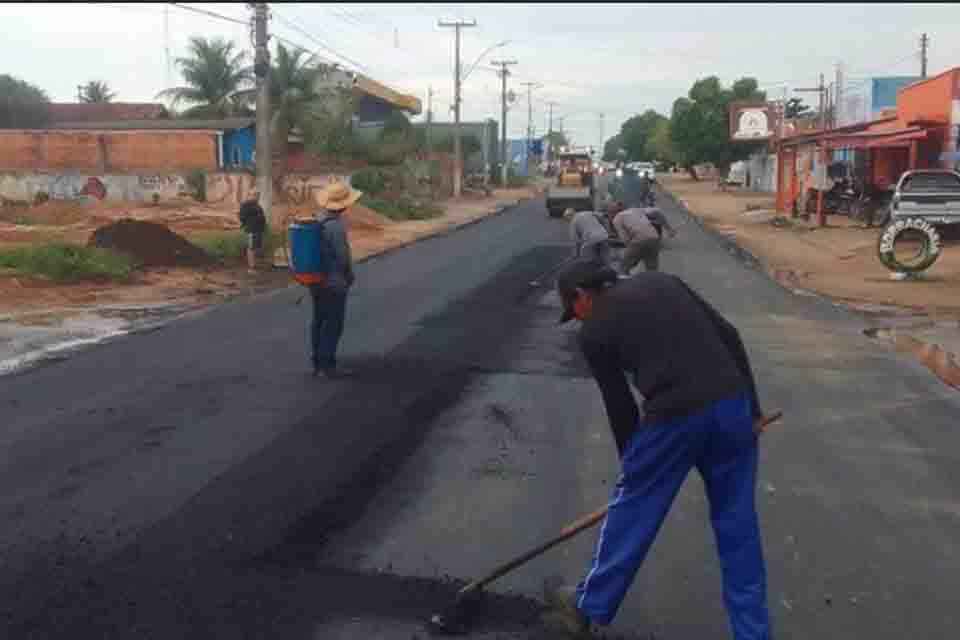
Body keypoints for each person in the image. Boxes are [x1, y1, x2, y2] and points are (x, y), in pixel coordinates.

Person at [545, 260, 773, 640]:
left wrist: (632, 471)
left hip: (675, 418)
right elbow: (730, 336)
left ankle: (588, 606)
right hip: (731, 404)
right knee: (738, 525)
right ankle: (753, 633)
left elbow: (619, 404)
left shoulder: (595, 331)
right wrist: (753, 409)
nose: (578, 318)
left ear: (582, 296)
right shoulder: (664, 281)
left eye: (574, 310)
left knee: (633, 513)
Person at [309, 181, 361, 379]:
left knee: (319, 321)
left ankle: (317, 363)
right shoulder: (337, 226)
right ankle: (328, 365)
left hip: (316, 281)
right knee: (334, 323)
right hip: (334, 283)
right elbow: (342, 257)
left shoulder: (318, 220)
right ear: (344, 205)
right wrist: (349, 275)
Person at [611, 205, 663, 275]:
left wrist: (631, 253)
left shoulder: (617, 219)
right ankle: (653, 282)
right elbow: (657, 211)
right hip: (654, 237)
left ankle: (624, 281)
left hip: (639, 239)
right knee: (652, 267)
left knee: (623, 266)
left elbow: (625, 239)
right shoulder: (635, 210)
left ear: (612, 213)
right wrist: (669, 228)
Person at [238, 189, 267, 274]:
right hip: (251, 230)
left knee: (255, 248)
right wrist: (249, 224)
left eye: (258, 195)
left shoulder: (257, 205)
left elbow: (261, 217)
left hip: (258, 230)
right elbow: (242, 217)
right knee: (251, 248)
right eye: (254, 194)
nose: (256, 196)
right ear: (249, 195)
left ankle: (255, 266)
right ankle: (251, 269)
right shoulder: (246, 205)